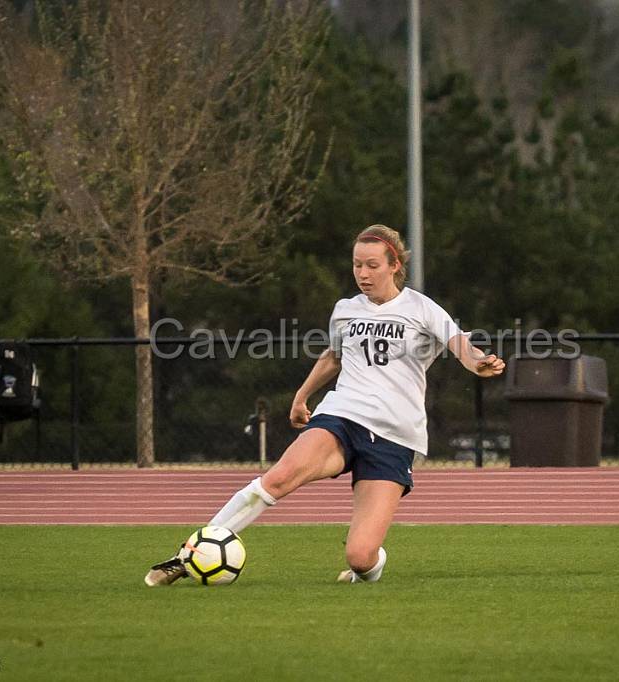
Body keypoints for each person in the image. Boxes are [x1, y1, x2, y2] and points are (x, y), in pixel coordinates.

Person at [145, 224, 505, 586]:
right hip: (342, 416)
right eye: (356, 265)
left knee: (360, 557)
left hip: (396, 436)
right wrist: (303, 396)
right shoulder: (346, 310)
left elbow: (460, 345)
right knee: (279, 477)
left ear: (394, 264)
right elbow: (333, 357)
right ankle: (188, 555)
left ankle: (369, 563)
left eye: (372, 265)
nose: (363, 274)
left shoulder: (421, 308)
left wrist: (478, 363)